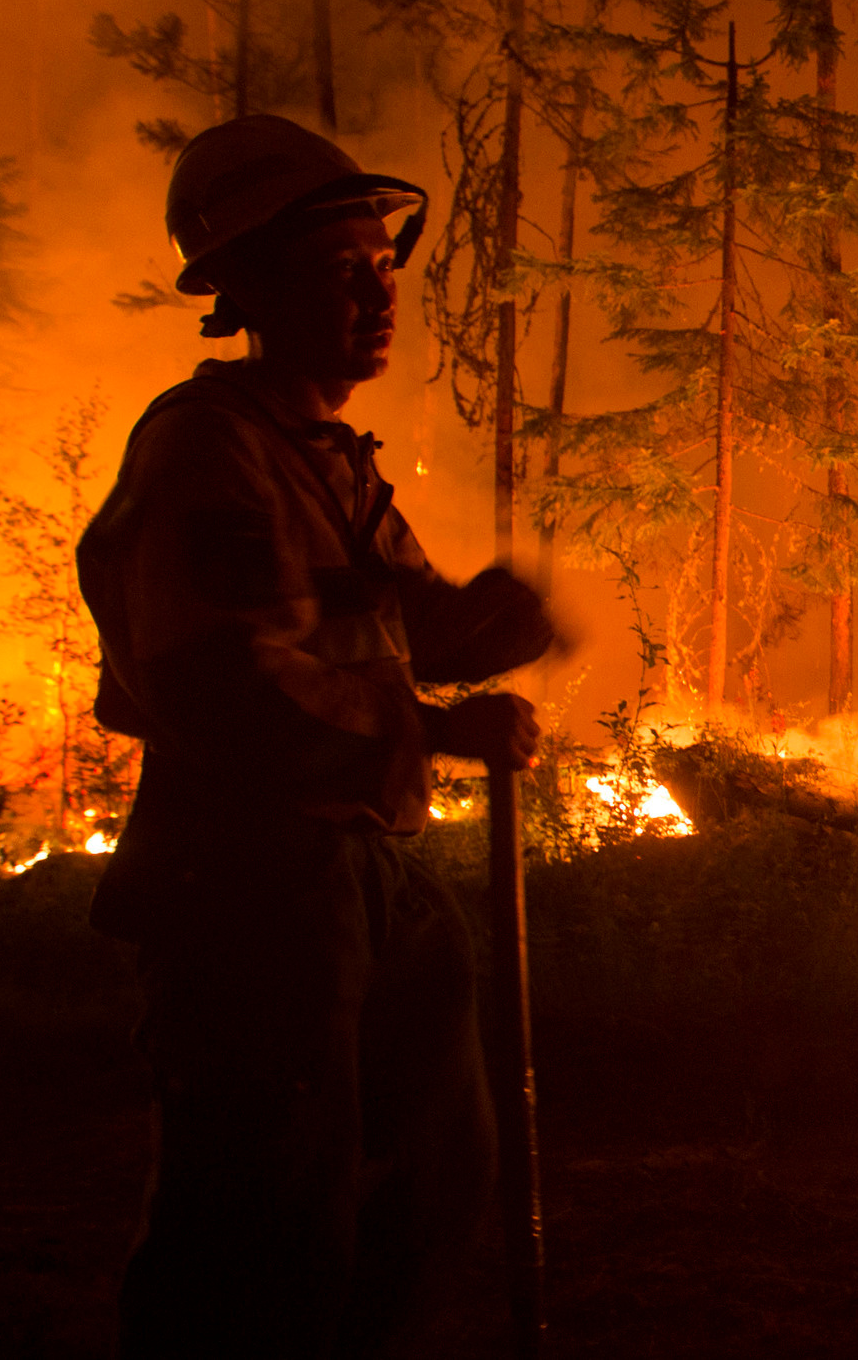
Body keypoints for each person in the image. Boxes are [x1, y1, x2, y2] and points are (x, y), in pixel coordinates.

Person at [79, 114, 558, 1358]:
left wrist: (500, 621)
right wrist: (441, 732)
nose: (376, 292)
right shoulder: (207, 458)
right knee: (263, 1216)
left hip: (358, 873)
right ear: (245, 286)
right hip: (244, 881)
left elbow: (402, 620)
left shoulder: (326, 461)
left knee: (436, 1175)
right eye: (340, 268)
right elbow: (228, 693)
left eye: (383, 265)